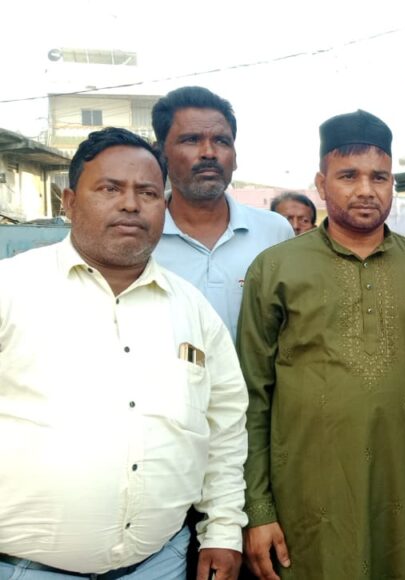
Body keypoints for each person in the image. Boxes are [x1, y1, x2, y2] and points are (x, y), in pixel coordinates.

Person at [0, 127, 248, 580]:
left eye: (148, 193)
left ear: (163, 207)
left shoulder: (192, 309)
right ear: (69, 202)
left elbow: (225, 428)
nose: (131, 205)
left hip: (159, 565)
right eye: (110, 189)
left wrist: (223, 530)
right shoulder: (12, 288)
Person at [238, 110, 405, 580]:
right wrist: (257, 509)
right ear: (321, 184)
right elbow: (250, 396)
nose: (366, 189)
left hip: (404, 496)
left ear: (392, 183)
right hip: (303, 499)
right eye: (348, 176)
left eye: (379, 177)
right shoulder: (275, 268)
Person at [151, 86, 293, 339]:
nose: (209, 152)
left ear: (235, 156)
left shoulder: (274, 232)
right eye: (191, 139)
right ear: (161, 154)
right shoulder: (141, 234)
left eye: (221, 141)